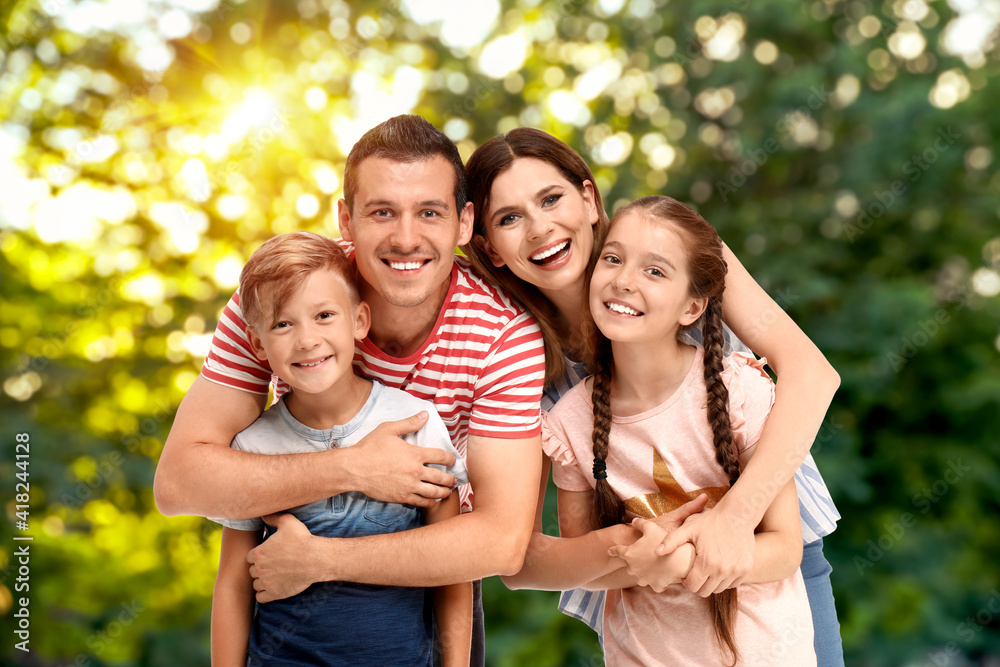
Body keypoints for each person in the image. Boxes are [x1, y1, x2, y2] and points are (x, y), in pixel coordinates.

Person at [154, 115, 547, 665]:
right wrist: (354, 468)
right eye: (382, 211)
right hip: (286, 595)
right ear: (346, 218)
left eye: (429, 213)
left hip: (427, 571)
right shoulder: (278, 304)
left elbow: (499, 542)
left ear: (463, 223)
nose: (406, 238)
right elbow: (178, 485)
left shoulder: (504, 337)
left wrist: (322, 560)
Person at [461, 128, 844, 665]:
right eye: (509, 218)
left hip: (766, 551)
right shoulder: (520, 358)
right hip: (647, 604)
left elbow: (811, 374)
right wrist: (645, 556)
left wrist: (733, 520)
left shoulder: (672, 244)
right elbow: (524, 557)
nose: (540, 228)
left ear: (590, 199)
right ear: (489, 248)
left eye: (551, 199)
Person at [542, 195, 816, 665]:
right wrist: (634, 559)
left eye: (655, 271)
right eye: (612, 259)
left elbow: (786, 549)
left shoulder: (738, 391)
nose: (624, 280)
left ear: (692, 306)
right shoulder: (569, 422)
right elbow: (581, 567)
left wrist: (676, 562)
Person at [209, 232, 472, 666]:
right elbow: (234, 584)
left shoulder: (415, 424)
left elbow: (451, 571)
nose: (307, 339)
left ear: (359, 321)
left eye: (324, 315)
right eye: (282, 323)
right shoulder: (253, 447)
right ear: (257, 345)